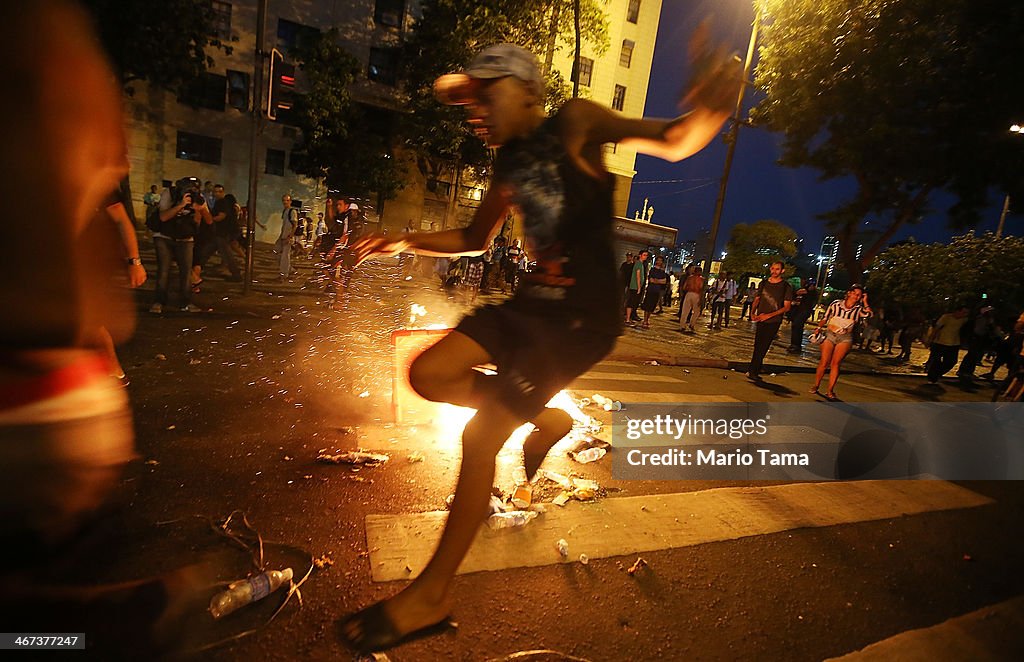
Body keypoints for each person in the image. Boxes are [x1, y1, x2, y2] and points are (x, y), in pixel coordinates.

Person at [342, 36, 739, 653]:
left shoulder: (575, 122)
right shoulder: (506, 167)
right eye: (466, 100)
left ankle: (431, 595)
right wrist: (404, 240)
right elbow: (475, 238)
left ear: (528, 90)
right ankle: (545, 415)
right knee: (429, 374)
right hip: (529, 304)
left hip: (579, 319)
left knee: (480, 437)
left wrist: (716, 100)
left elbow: (672, 140)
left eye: (484, 93)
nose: (473, 109)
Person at [151, 176, 211, 313]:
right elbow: (163, 217)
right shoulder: (170, 193)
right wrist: (181, 205)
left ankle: (185, 302)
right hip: (164, 236)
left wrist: (200, 209)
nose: (191, 192)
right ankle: (158, 302)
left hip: (185, 238)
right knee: (164, 270)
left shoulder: (198, 197)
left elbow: (209, 221)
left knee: (185, 272)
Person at [809, 284, 873, 400]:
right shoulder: (836, 304)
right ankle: (816, 385)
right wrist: (818, 328)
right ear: (849, 293)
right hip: (830, 334)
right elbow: (825, 317)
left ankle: (830, 390)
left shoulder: (858, 309)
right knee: (824, 361)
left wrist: (865, 301)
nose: (856, 296)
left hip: (845, 337)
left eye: (859, 295)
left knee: (835, 363)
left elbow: (869, 314)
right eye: (855, 293)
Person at [747, 262, 795, 380]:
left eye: (777, 269)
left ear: (782, 271)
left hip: (774, 320)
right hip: (760, 317)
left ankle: (754, 370)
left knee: (764, 345)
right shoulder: (763, 283)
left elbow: (786, 307)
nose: (774, 271)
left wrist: (769, 315)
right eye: (773, 269)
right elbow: (757, 299)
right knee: (758, 344)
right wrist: (752, 313)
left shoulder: (785, 286)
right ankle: (756, 367)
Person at [925, 305, 969, 384]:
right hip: (940, 342)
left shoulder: (964, 320)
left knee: (951, 362)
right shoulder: (946, 317)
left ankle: (937, 374)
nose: (965, 314)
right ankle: (932, 378)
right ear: (957, 311)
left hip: (954, 344)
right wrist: (930, 340)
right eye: (963, 312)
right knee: (936, 361)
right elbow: (936, 328)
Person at [787, 278, 818, 352]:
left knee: (798, 326)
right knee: (795, 326)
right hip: (797, 311)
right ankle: (794, 344)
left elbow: (810, 302)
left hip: (804, 311)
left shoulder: (812, 293)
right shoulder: (802, 291)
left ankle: (796, 345)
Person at [274, 194, 298, 281]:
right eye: (284, 200)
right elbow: (284, 225)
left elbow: (295, 225)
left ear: (290, 201)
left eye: (287, 200)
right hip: (283, 236)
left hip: (288, 237)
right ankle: (290, 269)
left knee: (285, 256)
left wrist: (289, 236)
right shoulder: (285, 211)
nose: (285, 202)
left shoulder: (292, 211)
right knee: (276, 251)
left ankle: (284, 274)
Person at [640, 256, 668, 329]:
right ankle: (645, 320)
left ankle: (647, 319)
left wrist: (657, 281)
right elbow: (651, 280)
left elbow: (664, 281)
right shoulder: (652, 270)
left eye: (660, 261)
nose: (659, 262)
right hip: (650, 290)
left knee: (652, 306)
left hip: (657, 291)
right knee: (647, 305)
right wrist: (659, 281)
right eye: (658, 260)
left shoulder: (662, 272)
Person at [625, 249, 650, 327]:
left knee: (633, 303)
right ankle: (627, 319)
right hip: (635, 287)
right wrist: (639, 287)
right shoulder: (638, 263)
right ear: (640, 255)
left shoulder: (641, 264)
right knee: (631, 302)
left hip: (636, 286)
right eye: (644, 255)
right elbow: (638, 275)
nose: (645, 257)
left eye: (646, 255)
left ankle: (629, 318)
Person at [678, 266, 704, 333]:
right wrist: (701, 299)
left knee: (685, 311)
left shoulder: (689, 278)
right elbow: (701, 289)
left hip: (688, 294)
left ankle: (682, 326)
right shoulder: (701, 280)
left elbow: (684, 287)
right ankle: (692, 324)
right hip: (696, 294)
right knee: (696, 311)